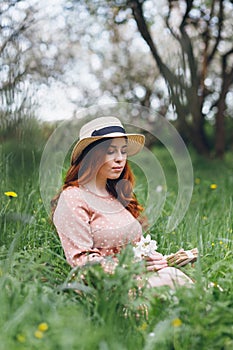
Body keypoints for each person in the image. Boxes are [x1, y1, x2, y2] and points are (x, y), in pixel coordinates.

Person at [52, 116, 193, 289]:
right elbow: (81, 261)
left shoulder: (117, 195)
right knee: (173, 280)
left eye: (123, 151)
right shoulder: (74, 197)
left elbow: (134, 248)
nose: (120, 159)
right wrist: (132, 267)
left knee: (174, 275)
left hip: (136, 277)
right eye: (111, 151)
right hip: (107, 288)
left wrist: (154, 258)